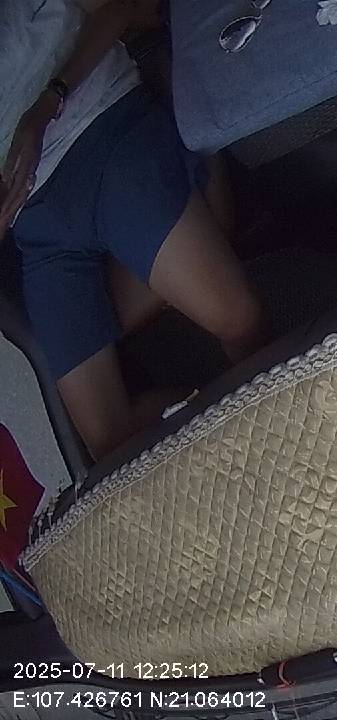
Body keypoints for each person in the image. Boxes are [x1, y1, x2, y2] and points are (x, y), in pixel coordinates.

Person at [1, 0, 267, 460]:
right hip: (38, 225)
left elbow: (119, 9)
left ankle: (280, 418)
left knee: (239, 319)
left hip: (102, 130)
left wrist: (45, 105)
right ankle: (239, 449)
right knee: (111, 448)